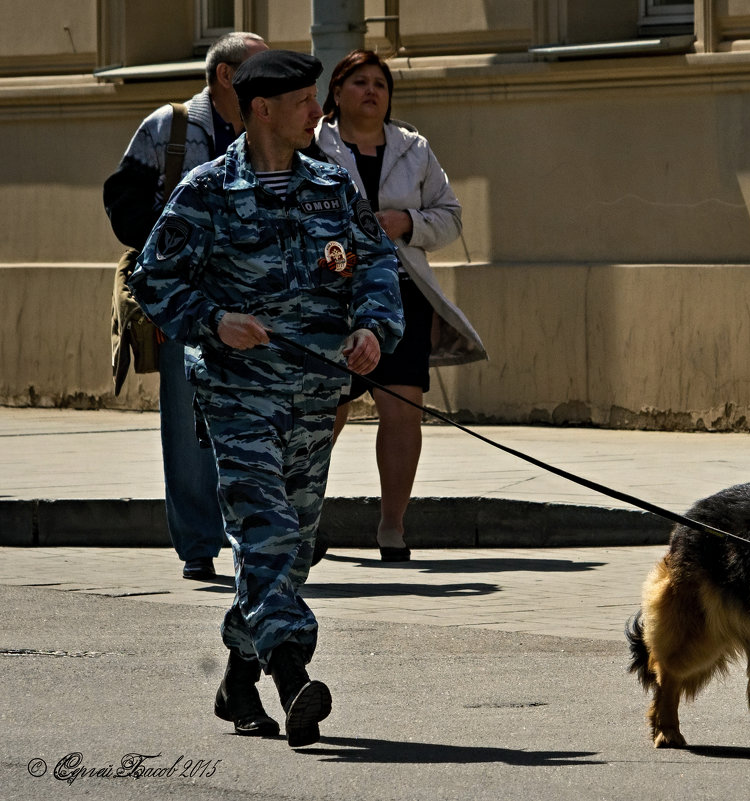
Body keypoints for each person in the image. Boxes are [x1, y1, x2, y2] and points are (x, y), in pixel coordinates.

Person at [128, 49, 404, 748]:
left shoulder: (329, 187)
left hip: (314, 396)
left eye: (316, 98)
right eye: (304, 101)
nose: (318, 111)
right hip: (237, 394)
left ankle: (236, 677)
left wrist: (372, 328)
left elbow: (374, 262)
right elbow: (152, 277)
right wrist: (214, 320)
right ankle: (291, 677)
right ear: (262, 110)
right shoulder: (208, 190)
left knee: (291, 546)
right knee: (267, 530)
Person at [103, 32, 269, 581]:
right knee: (187, 423)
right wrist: (180, 245)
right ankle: (198, 543)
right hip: (186, 301)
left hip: (258, 298)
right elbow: (123, 205)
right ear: (227, 76)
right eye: (259, 66)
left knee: (260, 416)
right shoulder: (169, 126)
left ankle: (264, 532)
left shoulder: (270, 125)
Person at [313, 50, 487, 562]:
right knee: (328, 411)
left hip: (401, 293)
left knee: (402, 410)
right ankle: (303, 516)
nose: (372, 92)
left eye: (381, 85)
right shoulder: (313, 143)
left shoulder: (414, 148)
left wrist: (407, 222)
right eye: (360, 82)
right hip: (332, 294)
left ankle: (392, 527)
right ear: (338, 91)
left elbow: (450, 217)